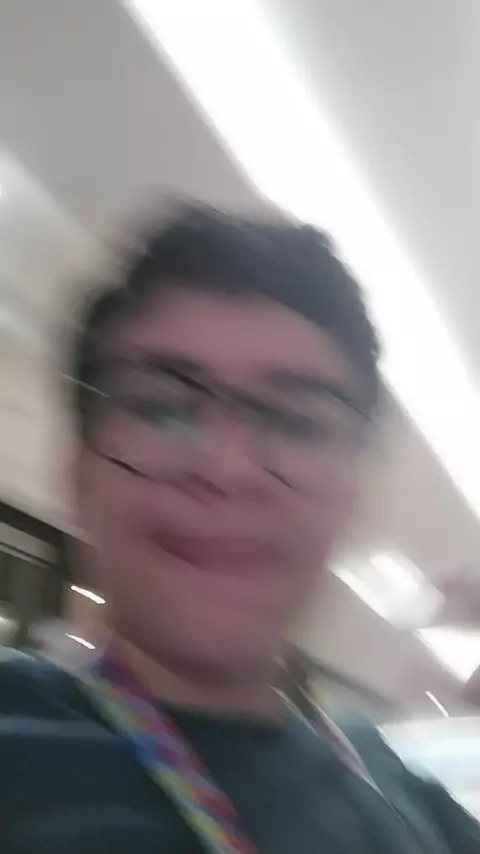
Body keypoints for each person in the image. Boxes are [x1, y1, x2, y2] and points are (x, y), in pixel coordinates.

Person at [0, 205, 478, 853]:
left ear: (353, 500)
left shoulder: (409, 805)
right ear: (78, 475)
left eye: (294, 422)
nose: (226, 468)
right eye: (162, 410)